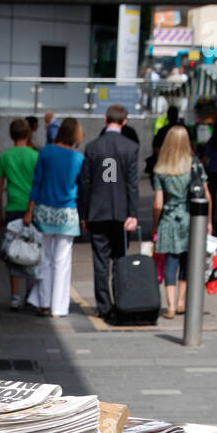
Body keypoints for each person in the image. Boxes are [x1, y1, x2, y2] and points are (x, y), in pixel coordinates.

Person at [77, 103, 139, 320]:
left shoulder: (93, 147)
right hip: (121, 213)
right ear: (125, 122)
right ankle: (121, 300)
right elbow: (132, 183)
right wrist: (133, 213)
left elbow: (86, 183)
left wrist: (83, 214)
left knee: (100, 262)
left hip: (97, 212)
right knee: (120, 260)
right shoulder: (130, 147)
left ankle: (104, 306)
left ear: (105, 120)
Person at [22, 117, 85, 317]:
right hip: (67, 213)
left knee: (45, 260)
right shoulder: (78, 158)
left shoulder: (46, 152)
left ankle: (43, 302)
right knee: (62, 262)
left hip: (44, 211)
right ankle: (59, 307)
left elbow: (37, 182)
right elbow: (81, 188)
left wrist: (29, 209)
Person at [151, 124, 212, 319]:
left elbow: (158, 204)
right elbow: (207, 195)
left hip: (169, 218)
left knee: (171, 261)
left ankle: (168, 305)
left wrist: (155, 224)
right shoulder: (194, 165)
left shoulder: (161, 168)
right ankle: (180, 303)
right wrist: (208, 221)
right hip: (191, 218)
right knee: (187, 261)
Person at [0, 118, 38, 308]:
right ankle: (31, 292)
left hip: (12, 208)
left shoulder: (5, 156)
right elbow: (39, 184)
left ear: (11, 135)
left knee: (13, 250)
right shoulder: (35, 156)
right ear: (29, 134)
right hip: (32, 208)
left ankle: (14, 296)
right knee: (32, 248)